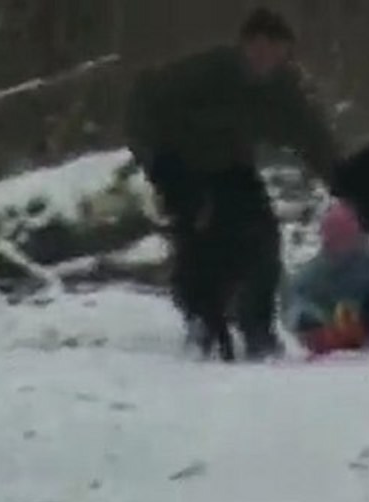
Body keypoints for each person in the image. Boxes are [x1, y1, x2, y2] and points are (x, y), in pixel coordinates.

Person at [124, 7, 341, 358]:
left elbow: (311, 136)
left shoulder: (280, 86)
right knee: (200, 242)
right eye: (263, 51)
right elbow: (143, 101)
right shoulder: (206, 71)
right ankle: (202, 320)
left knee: (264, 239)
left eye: (278, 55)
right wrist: (154, 162)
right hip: (180, 165)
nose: (269, 61)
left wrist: (344, 182)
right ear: (247, 45)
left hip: (231, 167)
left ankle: (257, 328)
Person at [280, 200, 369, 355]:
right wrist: (308, 320)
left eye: (346, 242)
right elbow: (297, 296)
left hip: (367, 326)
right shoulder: (318, 270)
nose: (340, 250)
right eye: (334, 244)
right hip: (330, 328)